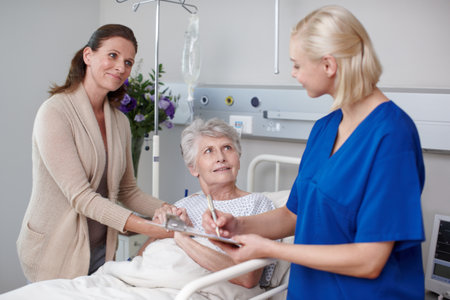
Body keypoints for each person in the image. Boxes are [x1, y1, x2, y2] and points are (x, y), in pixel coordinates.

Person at [203, 5, 425, 300]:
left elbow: (370, 260)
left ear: (328, 65)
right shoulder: (325, 128)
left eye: (296, 64)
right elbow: (295, 214)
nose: (294, 74)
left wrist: (270, 249)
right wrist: (237, 226)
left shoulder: (392, 135)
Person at [2, 118, 275, 299]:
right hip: (132, 281)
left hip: (186, 288)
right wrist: (160, 229)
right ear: (193, 168)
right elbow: (144, 260)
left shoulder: (259, 206)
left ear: (238, 157)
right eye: (208, 151)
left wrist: (181, 237)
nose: (220, 157)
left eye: (227, 148)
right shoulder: (182, 205)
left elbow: (249, 278)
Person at [17, 24, 178, 283]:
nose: (120, 67)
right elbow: (81, 197)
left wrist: (171, 209)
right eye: (112, 55)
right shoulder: (55, 113)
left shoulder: (120, 122)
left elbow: (128, 190)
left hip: (101, 249)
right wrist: (148, 228)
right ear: (88, 56)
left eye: (128, 62)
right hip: (55, 249)